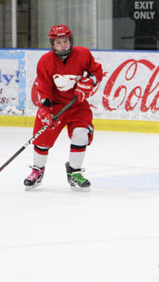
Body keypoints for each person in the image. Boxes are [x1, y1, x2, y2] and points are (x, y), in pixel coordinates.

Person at [24, 24, 103, 192]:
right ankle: (37, 170)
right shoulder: (45, 61)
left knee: (81, 134)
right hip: (55, 106)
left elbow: (97, 72)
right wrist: (45, 111)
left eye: (65, 41)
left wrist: (90, 82)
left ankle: (74, 172)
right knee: (42, 139)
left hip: (78, 105)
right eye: (58, 42)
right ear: (52, 44)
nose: (62, 45)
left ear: (71, 41)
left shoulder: (82, 54)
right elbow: (44, 88)